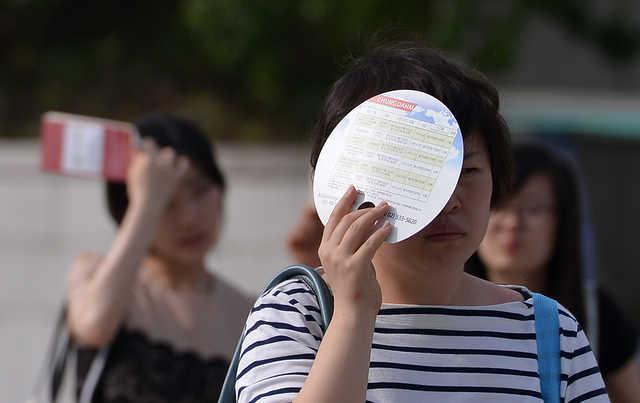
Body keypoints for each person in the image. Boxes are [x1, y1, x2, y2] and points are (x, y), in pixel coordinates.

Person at [235, 42, 609, 402]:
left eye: (469, 170)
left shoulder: (549, 331)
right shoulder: (298, 313)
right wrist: (353, 312)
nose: (450, 202)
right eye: (418, 176)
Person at [67, 114, 253, 403]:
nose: (189, 218)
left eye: (200, 190)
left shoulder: (249, 312)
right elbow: (93, 325)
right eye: (167, 202)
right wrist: (146, 202)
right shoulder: (98, 276)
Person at [467, 142, 640, 402]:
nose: (513, 224)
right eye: (500, 206)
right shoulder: (444, 305)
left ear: (562, 223)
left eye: (534, 209)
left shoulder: (595, 312)